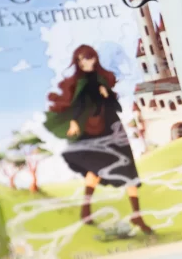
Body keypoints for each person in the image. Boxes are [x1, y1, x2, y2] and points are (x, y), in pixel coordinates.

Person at [44, 45, 152, 234]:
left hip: (113, 127)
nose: (84, 62)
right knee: (95, 168)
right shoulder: (80, 82)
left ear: (94, 58)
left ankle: (137, 215)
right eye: (80, 60)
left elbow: (115, 106)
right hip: (94, 130)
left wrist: (107, 93)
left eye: (87, 58)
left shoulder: (103, 78)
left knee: (128, 170)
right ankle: (86, 211)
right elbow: (78, 104)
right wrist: (74, 122)